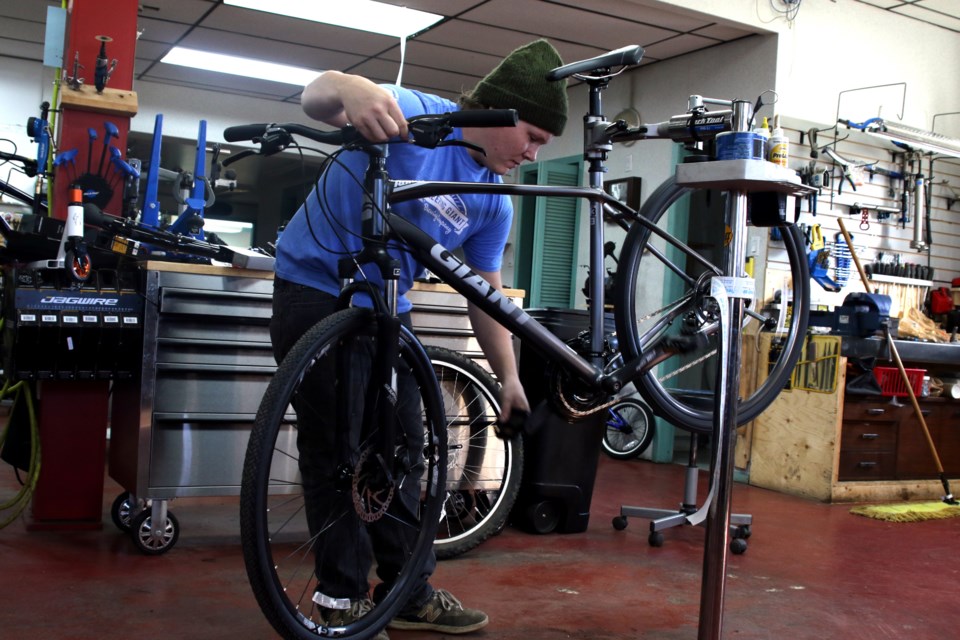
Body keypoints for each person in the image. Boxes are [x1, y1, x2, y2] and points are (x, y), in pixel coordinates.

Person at [269, 39, 568, 637]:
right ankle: (341, 599)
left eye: (542, 146)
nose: (532, 154)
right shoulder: (419, 115)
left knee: (406, 445)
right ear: (499, 114)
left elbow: (487, 295)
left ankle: (408, 590)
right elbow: (317, 96)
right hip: (315, 290)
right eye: (532, 136)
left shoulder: (494, 202)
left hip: (387, 310)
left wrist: (508, 376)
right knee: (339, 449)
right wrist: (352, 88)